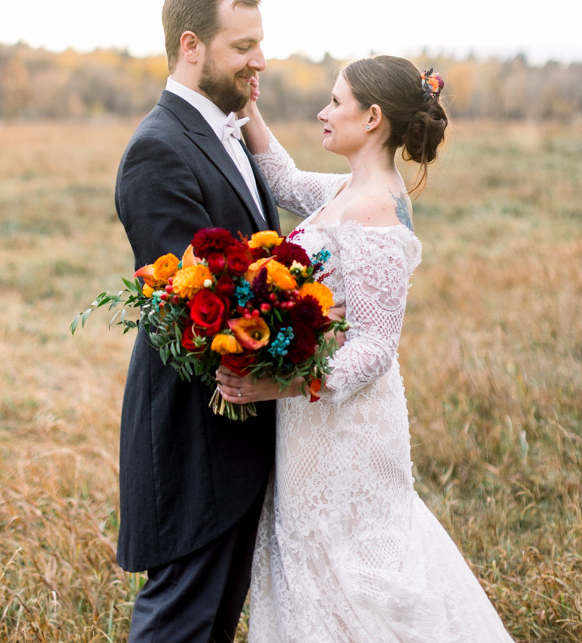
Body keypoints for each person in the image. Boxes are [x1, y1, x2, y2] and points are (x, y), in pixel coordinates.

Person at [216, 55, 514, 643]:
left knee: (353, 574)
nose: (323, 113)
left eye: (335, 102)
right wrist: (246, 104)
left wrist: (281, 384)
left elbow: (376, 346)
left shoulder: (377, 208)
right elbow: (282, 179)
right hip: (313, 421)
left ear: (372, 116)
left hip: (346, 428)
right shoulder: (349, 189)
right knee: (312, 566)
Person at [115, 0, 281, 643]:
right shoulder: (158, 148)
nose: (259, 59)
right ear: (192, 45)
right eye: (243, 45)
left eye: (260, 43)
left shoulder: (228, 128)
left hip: (238, 429)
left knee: (211, 624)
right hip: (194, 433)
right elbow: (195, 307)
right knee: (179, 622)